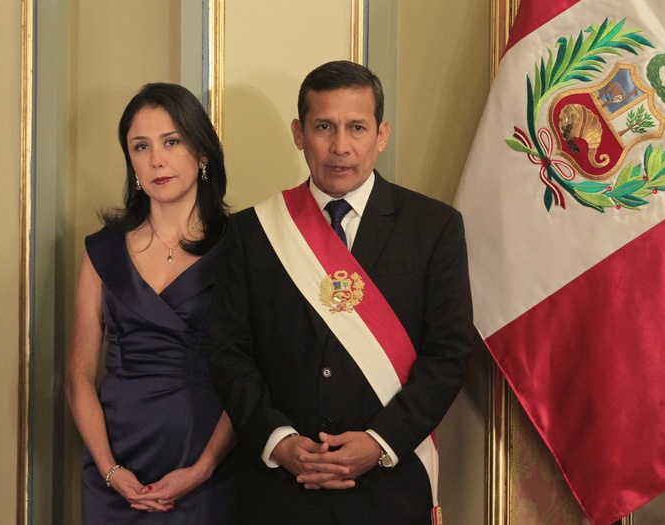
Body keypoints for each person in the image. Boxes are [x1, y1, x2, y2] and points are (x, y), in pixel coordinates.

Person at [207, 60, 474, 525]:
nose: (340, 147)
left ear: (381, 134)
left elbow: (448, 353)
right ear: (299, 133)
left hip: (388, 486)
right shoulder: (252, 232)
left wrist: (380, 442)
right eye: (324, 127)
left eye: (357, 128)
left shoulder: (433, 228)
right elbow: (229, 352)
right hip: (279, 491)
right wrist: (277, 441)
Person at [66, 82, 236, 524]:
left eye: (171, 141)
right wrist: (110, 469)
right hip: (117, 467)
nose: (156, 159)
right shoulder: (101, 251)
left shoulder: (241, 247)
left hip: (207, 462)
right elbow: (78, 378)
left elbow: (253, 374)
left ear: (201, 153)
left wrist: (204, 467)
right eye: (141, 146)